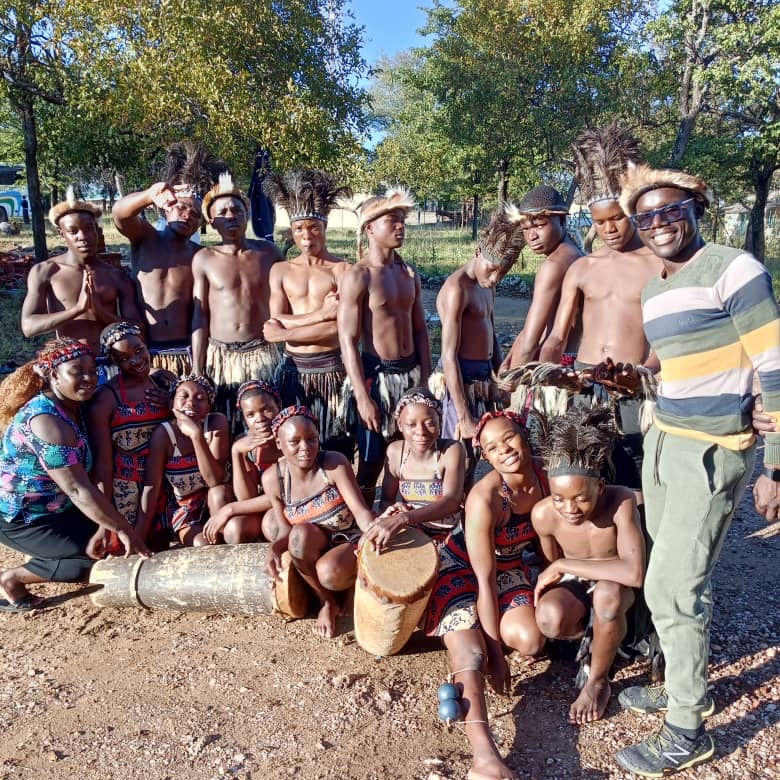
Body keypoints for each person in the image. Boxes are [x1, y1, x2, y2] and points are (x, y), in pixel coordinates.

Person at [612, 164, 780, 776]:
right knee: (673, 571)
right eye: (647, 216)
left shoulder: (735, 269)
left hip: (712, 450)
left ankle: (687, 730)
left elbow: (775, 365)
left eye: (671, 211)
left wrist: (775, 468)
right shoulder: (655, 288)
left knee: (673, 587)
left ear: (695, 210)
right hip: (663, 441)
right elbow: (680, 363)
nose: (659, 224)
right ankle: (686, 684)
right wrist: (637, 378)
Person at [538, 124, 663, 501]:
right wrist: (551, 370)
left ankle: (639, 554)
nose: (608, 229)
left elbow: (666, 336)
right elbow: (558, 336)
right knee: (582, 480)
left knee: (636, 483)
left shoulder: (657, 264)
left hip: (634, 390)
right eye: (599, 221)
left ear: (632, 212)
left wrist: (645, 373)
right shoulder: (582, 268)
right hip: (582, 387)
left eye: (617, 219)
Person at [423, 411, 548, 780]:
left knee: (531, 640)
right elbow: (484, 578)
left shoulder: (545, 475)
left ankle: (480, 635)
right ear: (487, 458)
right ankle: (485, 755)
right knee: (473, 653)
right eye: (492, 448)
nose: (504, 450)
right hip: (461, 571)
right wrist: (495, 654)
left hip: (509, 569)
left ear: (524, 436)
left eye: (508, 439)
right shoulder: (485, 498)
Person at [0, 339, 150, 611]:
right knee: (86, 564)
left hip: (59, 507)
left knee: (110, 548)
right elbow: (77, 489)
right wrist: (121, 528)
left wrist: (108, 526)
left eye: (92, 371)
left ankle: (50, 551)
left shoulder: (76, 405)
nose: (88, 378)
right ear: (54, 374)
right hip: (21, 516)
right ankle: (12, 579)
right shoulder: (46, 421)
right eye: (77, 372)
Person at [531, 406, 645, 725]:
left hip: (618, 590)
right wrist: (564, 570)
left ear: (600, 487)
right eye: (559, 498)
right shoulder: (543, 516)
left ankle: (597, 681)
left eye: (581, 498)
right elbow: (551, 567)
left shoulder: (621, 503)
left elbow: (633, 572)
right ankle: (592, 638)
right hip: (577, 584)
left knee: (607, 597)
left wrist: (567, 563)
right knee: (550, 617)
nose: (570, 509)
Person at [338, 187, 432, 504]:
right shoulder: (359, 276)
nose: (401, 227)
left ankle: (394, 511)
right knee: (371, 455)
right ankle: (361, 518)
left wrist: (425, 380)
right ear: (370, 228)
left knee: (406, 451)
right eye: (392, 220)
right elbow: (348, 342)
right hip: (376, 378)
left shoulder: (408, 273)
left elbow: (420, 330)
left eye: (403, 220)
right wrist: (363, 397)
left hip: (410, 375)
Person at [263, 169, 354, 457]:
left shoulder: (342, 270)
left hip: (332, 370)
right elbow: (272, 323)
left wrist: (286, 332)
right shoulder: (281, 270)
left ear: (325, 228)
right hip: (294, 371)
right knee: (295, 445)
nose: (306, 236)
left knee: (336, 444)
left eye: (313, 227)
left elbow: (342, 329)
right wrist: (322, 314)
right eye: (299, 229)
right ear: (291, 231)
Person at [262, 406, 375, 638]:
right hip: (313, 543)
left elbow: (360, 511)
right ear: (278, 443)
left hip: (348, 539)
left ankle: (352, 590)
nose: (305, 448)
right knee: (298, 536)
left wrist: (372, 537)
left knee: (329, 572)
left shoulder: (332, 464)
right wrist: (273, 549)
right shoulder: (274, 478)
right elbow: (285, 529)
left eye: (312, 439)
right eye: (295, 441)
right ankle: (327, 602)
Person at [113, 142, 224, 374]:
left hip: (187, 351)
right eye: (182, 208)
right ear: (166, 208)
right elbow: (120, 215)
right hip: (145, 351)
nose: (188, 216)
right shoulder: (145, 239)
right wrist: (148, 195)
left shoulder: (199, 256)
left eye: (195, 215)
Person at [435, 208, 523, 484]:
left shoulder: (488, 286)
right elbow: (449, 356)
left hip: (484, 380)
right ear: (477, 252)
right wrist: (464, 415)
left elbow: (491, 335)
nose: (496, 277)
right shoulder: (456, 289)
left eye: (503, 271)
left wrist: (502, 379)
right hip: (459, 381)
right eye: (493, 268)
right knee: (457, 458)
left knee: (480, 455)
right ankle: (448, 521)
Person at [191, 172, 283, 435]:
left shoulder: (268, 252)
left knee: (266, 423)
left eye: (237, 209)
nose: (231, 215)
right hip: (222, 359)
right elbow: (200, 314)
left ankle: (267, 475)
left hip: (263, 354)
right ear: (211, 220)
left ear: (247, 213)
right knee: (227, 425)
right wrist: (198, 367)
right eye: (223, 211)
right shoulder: (204, 258)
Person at [21, 188, 142, 365]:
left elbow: (139, 329)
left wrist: (100, 312)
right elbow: (29, 326)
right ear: (62, 234)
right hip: (71, 365)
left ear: (97, 230)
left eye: (88, 228)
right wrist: (77, 309)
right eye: (73, 231)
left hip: (112, 362)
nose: (83, 237)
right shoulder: (47, 271)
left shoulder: (116, 276)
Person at [87, 322, 173, 547]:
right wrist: (104, 522)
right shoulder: (105, 399)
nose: (135, 361)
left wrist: (172, 401)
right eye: (124, 358)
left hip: (170, 482)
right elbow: (104, 466)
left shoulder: (165, 382)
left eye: (138, 350)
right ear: (113, 361)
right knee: (125, 548)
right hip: (128, 489)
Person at [365, 388, 465, 551]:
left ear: (440, 422)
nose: (421, 432)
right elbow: (386, 500)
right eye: (411, 424)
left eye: (430, 423)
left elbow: (451, 502)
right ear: (400, 425)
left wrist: (404, 518)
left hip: (448, 533)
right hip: (413, 531)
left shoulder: (451, 450)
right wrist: (393, 512)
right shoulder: (395, 452)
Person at [138, 375, 231, 549]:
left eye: (200, 398)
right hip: (186, 509)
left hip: (221, 503)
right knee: (203, 544)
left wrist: (196, 436)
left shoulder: (216, 423)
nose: (191, 402)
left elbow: (214, 480)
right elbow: (152, 486)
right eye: (184, 396)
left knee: (217, 492)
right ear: (171, 402)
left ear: (208, 406)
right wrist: (138, 536)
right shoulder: (164, 434)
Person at [501, 186, 583, 370]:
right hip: (570, 360)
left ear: (562, 221)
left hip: (553, 365)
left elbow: (531, 340)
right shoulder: (574, 254)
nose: (532, 236)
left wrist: (513, 381)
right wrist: (508, 358)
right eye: (525, 228)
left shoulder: (554, 265)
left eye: (539, 225)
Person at [201, 380, 282, 545]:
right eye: (250, 415)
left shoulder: (288, 440)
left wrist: (230, 509)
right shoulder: (245, 444)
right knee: (234, 528)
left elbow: (284, 495)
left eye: (266, 410)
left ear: (278, 406)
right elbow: (247, 496)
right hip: (253, 508)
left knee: (272, 525)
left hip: (282, 508)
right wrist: (237, 453)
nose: (259, 419)